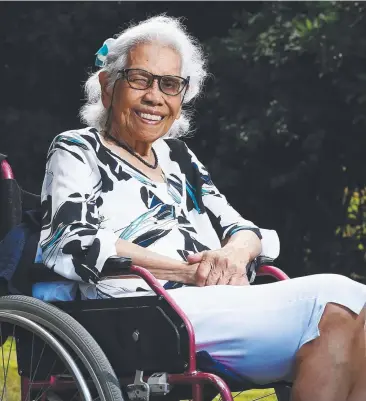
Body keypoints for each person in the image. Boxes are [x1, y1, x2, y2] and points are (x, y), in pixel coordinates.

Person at [38, 15, 366, 401]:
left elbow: (241, 228)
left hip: (215, 303)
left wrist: (232, 254)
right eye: (140, 79)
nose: (155, 96)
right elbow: (71, 241)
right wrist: (188, 271)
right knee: (337, 296)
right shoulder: (77, 149)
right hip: (144, 312)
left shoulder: (179, 157)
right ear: (108, 87)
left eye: (170, 84)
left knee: (344, 328)